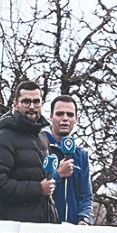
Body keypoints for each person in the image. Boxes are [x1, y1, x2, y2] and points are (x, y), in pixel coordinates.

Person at [0, 79, 54, 222]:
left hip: (41, 228)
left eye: (36, 101)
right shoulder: (4, 138)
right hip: (12, 232)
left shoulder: (42, 137)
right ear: (15, 104)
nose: (32, 106)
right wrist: (37, 189)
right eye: (26, 101)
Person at [44, 94, 93, 225]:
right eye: (60, 114)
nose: (65, 119)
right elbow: (34, 188)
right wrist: (58, 174)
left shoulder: (81, 155)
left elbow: (86, 196)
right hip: (42, 231)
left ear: (77, 119)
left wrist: (84, 219)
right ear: (51, 116)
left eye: (70, 115)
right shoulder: (39, 147)